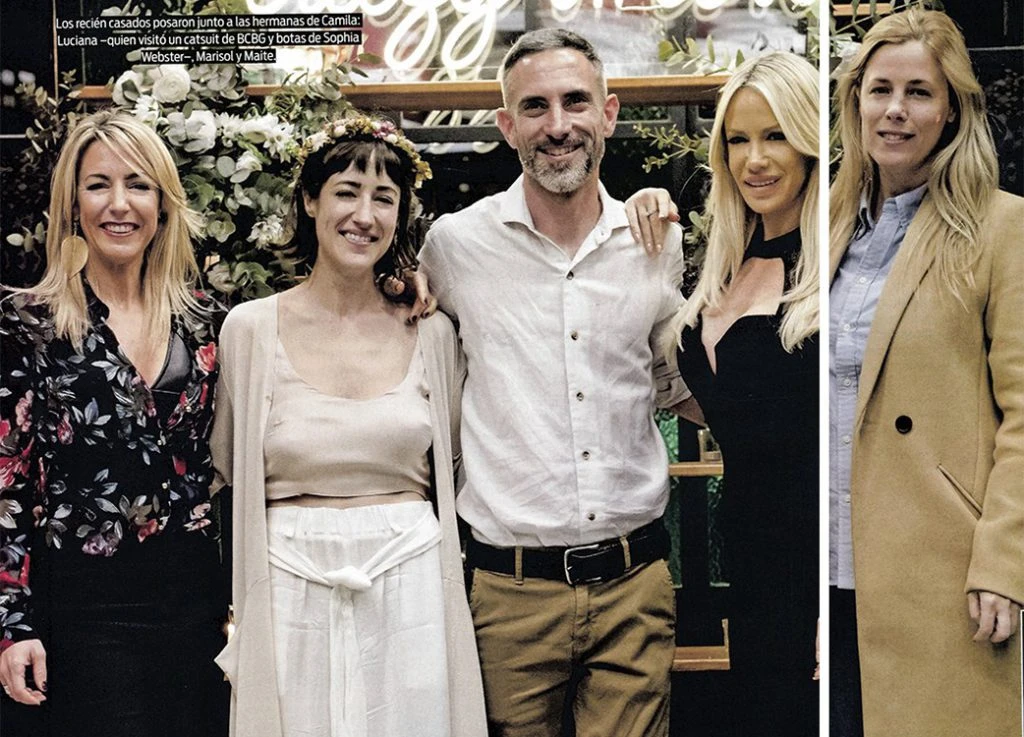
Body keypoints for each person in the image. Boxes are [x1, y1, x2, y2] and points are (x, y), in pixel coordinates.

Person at [419, 29, 697, 737]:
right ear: (507, 126)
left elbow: (673, 376)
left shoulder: (657, 244)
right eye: (535, 107)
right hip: (509, 594)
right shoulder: (454, 246)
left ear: (609, 113)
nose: (558, 125)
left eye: (576, 102)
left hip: (635, 585)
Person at [210, 113, 486, 737]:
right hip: (288, 586)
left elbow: (457, 465)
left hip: (412, 584)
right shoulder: (249, 330)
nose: (364, 215)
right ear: (310, 200)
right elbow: (224, 472)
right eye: (346, 192)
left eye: (384, 198)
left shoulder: (432, 331)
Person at [0, 110, 228, 737]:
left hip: (197, 606)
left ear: (163, 203)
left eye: (138, 185)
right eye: (98, 185)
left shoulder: (208, 323)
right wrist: (12, 624)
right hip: (84, 609)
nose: (119, 204)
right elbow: (7, 485)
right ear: (73, 205)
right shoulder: (28, 324)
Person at [829, 9, 1024, 737]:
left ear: (952, 111)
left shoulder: (1002, 227)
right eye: (881, 89)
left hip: (940, 569)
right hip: (827, 563)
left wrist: (1004, 561)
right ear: (856, 101)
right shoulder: (827, 225)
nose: (896, 110)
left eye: (919, 92)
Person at [627, 50, 820, 736]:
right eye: (738, 140)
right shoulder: (729, 265)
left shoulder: (836, 269)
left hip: (817, 570)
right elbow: (724, 403)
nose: (754, 159)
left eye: (776, 135)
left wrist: (837, 601)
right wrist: (640, 213)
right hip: (750, 559)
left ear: (812, 143)